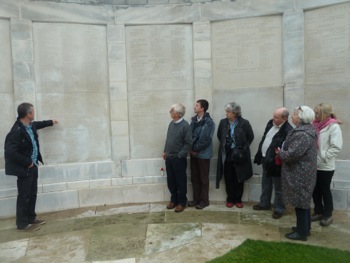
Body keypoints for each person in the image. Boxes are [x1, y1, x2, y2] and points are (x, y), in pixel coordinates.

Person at [4, 102, 59, 232]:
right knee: (24, 196)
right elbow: (10, 152)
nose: (34, 114)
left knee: (32, 193)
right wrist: (27, 162)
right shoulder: (16, 131)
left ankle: (31, 218)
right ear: (28, 114)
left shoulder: (29, 125)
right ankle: (22, 224)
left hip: (33, 166)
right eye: (33, 112)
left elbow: (38, 124)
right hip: (25, 168)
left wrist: (51, 122)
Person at [276, 106, 317, 241]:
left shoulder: (302, 134)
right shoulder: (307, 131)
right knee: (303, 202)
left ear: (301, 118)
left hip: (300, 173)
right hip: (303, 172)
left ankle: (301, 232)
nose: (292, 117)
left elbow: (292, 155)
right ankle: (304, 228)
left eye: (294, 115)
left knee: (301, 203)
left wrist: (280, 153)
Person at [253, 107, 293, 219]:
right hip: (266, 159)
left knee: (279, 187)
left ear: (284, 118)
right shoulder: (270, 124)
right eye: (273, 116)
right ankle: (264, 203)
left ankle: (279, 208)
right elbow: (265, 138)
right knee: (266, 183)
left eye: (276, 117)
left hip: (276, 162)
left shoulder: (288, 130)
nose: (273, 118)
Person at [216, 102, 254, 208]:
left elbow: (250, 137)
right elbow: (220, 135)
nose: (226, 113)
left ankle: (238, 199)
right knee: (228, 177)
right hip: (227, 154)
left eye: (229, 111)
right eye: (226, 111)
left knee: (239, 177)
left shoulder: (244, 123)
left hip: (239, 155)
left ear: (235, 113)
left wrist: (242, 149)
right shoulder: (223, 122)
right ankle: (230, 198)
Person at [311, 103, 343, 226]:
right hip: (314, 164)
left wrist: (323, 157)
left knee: (324, 190)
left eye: (317, 113)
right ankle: (318, 211)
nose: (315, 115)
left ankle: (328, 214)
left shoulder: (333, 127)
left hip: (325, 165)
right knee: (315, 189)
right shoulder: (314, 125)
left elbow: (336, 147)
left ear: (324, 114)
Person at [163, 104, 192, 213]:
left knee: (181, 181)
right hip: (169, 158)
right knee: (171, 180)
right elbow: (168, 139)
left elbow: (188, 143)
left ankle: (182, 202)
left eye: (172, 110)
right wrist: (165, 151)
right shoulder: (171, 124)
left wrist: (180, 155)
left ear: (178, 114)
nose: (170, 111)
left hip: (179, 159)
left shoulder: (185, 126)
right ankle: (173, 200)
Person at [188, 99, 215, 209]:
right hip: (193, 154)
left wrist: (196, 149)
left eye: (197, 105)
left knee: (203, 178)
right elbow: (188, 135)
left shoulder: (209, 122)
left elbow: (206, 139)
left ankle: (204, 200)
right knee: (195, 178)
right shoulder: (193, 121)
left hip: (203, 155)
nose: (194, 107)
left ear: (202, 108)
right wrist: (191, 148)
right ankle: (196, 199)